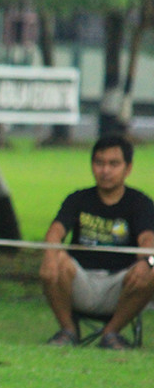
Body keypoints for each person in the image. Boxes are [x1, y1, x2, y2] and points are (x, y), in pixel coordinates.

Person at [40, 134, 154, 350]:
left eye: (113, 164)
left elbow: (148, 239)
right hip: (80, 281)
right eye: (99, 163)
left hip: (120, 286)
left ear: (127, 168)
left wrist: (147, 261)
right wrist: (49, 255)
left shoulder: (140, 203)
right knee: (58, 259)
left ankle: (111, 334)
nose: (105, 171)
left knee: (152, 270)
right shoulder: (78, 199)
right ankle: (68, 331)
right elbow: (56, 231)